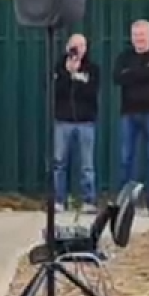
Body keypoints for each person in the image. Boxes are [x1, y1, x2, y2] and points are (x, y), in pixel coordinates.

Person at [115, 17, 149, 218]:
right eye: (136, 35)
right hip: (129, 113)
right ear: (131, 37)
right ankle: (124, 206)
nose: (139, 38)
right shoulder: (124, 56)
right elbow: (117, 77)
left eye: (142, 34)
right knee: (126, 160)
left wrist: (132, 74)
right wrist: (144, 71)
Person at [53, 31, 100, 213]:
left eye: (81, 46)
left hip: (85, 121)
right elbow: (55, 91)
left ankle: (88, 200)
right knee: (59, 162)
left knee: (87, 165)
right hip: (63, 120)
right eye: (74, 45)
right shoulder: (59, 67)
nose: (77, 49)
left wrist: (78, 78)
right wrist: (68, 74)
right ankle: (59, 199)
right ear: (68, 47)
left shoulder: (92, 69)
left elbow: (92, 92)